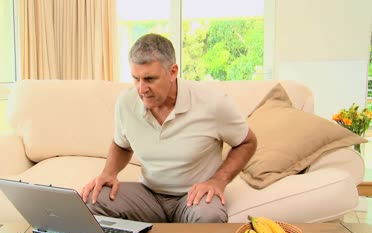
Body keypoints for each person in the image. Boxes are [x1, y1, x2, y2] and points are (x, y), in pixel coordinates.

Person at [81, 33, 257, 223]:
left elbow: (247, 142)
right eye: (135, 79)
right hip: (149, 194)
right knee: (92, 201)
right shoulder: (126, 102)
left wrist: (218, 181)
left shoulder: (212, 102)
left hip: (193, 196)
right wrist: (109, 173)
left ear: (173, 72)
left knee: (210, 216)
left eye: (149, 79)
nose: (141, 89)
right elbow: (121, 144)